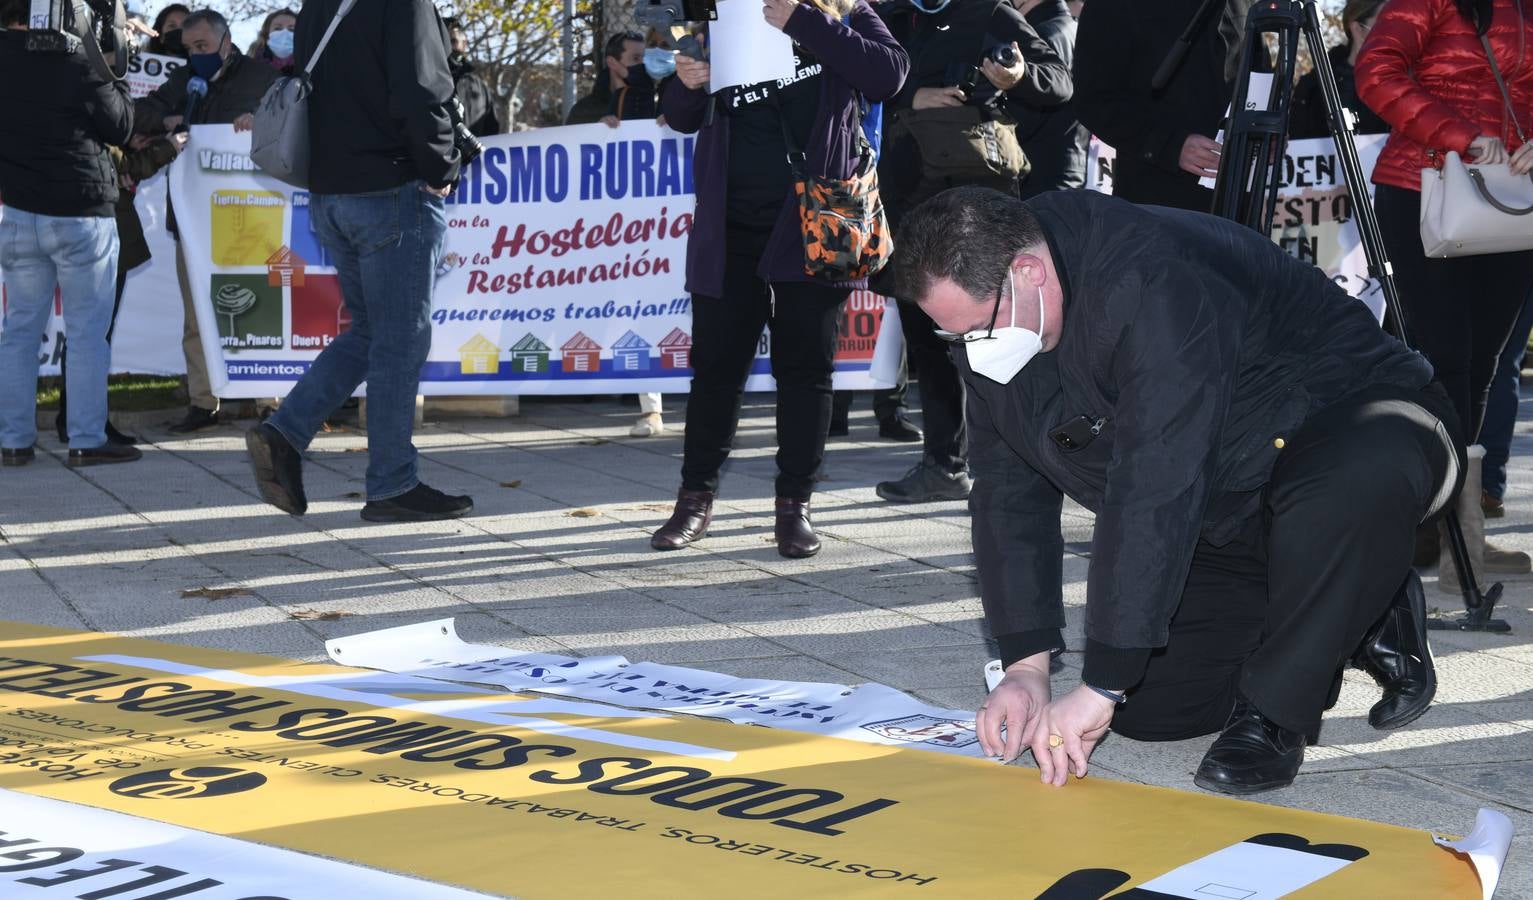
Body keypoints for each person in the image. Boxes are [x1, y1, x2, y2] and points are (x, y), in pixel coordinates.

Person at [895, 186, 1458, 794]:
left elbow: (1154, 483)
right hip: (1230, 496)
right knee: (1157, 711)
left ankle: (1277, 714)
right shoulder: (1001, 313)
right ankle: (1363, 596)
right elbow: (1006, 491)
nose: (972, 350)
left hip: (1359, 424)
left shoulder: (1154, 278)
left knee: (1344, 485)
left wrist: (1102, 681)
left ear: (1028, 272)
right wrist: (1025, 665)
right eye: (953, 338)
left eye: (977, 329)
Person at [650, 0, 909, 558]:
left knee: (805, 370)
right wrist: (690, 80)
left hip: (812, 226)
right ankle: (694, 500)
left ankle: (795, 506)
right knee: (716, 370)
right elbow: (681, 114)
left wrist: (806, 21)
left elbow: (889, 74)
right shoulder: (726, 18)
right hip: (731, 226)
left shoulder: (844, 13)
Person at [245, 0, 472, 523]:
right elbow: (423, 89)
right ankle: (392, 484)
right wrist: (441, 165)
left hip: (331, 194)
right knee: (399, 339)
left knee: (371, 331)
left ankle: (284, 432)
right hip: (390, 188)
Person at [1356, 0, 1533, 588]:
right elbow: (1376, 70)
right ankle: (1412, 527)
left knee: (1481, 368)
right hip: (1426, 188)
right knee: (1438, 364)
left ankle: (1456, 540)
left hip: (1513, 200)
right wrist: (1461, 134)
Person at [870, 0, 1071, 504]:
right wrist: (912, 96)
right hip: (906, 201)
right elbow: (853, 87)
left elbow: (1059, 81)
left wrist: (1017, 77)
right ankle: (943, 463)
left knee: (1001, 330)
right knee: (928, 339)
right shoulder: (884, 17)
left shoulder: (988, 13)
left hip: (975, 208)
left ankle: (1030, 459)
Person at [0, 0, 140, 467]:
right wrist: (114, 64)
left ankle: (13, 442)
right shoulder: (76, 58)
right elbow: (120, 125)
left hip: (18, 211)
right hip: (81, 213)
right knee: (85, 335)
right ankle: (85, 439)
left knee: (18, 332)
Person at [135, 9, 277, 434]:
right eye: (189, 49)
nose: (196, 55)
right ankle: (202, 401)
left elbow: (292, 123)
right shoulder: (183, 83)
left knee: (257, 309)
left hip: (249, 219)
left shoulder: (261, 77)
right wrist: (166, 120)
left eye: (202, 47)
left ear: (226, 43)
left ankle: (268, 401)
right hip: (193, 222)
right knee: (197, 315)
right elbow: (142, 113)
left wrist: (261, 123)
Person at [55, 133, 188, 447]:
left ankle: (75, 419)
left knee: (87, 336)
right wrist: (166, 147)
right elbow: (122, 165)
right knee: (92, 338)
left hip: (86, 230)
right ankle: (86, 423)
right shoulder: (90, 106)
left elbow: (122, 162)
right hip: (100, 232)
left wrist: (136, 145)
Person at [1073, 0, 1235, 211]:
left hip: (1239, 201)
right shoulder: (1115, 6)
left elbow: (1257, 68)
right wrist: (1171, 146)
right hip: (1160, 202)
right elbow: (1093, 99)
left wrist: (1266, 127)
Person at [1011, 0, 1088, 197]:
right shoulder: (1074, 27)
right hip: (1069, 170)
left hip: (1039, 179)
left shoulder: (1040, 37)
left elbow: (1022, 118)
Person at [1289, 0, 1388, 139]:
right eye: (1386, 21)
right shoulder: (1314, 87)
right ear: (1357, 29)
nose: (1395, 30)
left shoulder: (1407, 80)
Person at [565, 32, 643, 126]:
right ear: (612, 62)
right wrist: (597, 130)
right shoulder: (584, 110)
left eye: (646, 59)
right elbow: (574, 139)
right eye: (635, 58)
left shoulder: (655, 107)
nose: (643, 64)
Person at [446, 18, 501, 137]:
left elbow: (491, 127)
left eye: (453, 41)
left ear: (464, 44)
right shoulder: (430, 78)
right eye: (444, 42)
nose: (449, 47)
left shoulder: (479, 85)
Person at [248, 8, 297, 75]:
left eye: (292, 30)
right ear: (266, 33)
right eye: (278, 28)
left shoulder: (311, 66)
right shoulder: (248, 67)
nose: (284, 33)